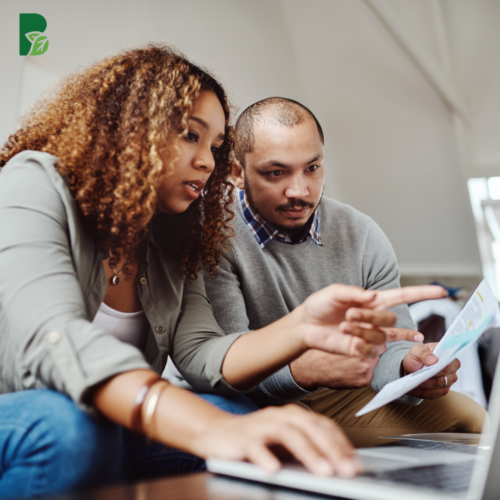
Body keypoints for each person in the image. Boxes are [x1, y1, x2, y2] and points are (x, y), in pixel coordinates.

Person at [0, 47, 445, 498]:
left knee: (238, 416)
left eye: (215, 147)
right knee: (67, 427)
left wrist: (302, 324)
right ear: (131, 128)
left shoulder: (173, 236)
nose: (208, 162)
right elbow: (53, 338)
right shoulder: (32, 183)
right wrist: (205, 427)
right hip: (25, 413)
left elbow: (200, 353)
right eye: (190, 136)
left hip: (109, 423)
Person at [166, 97, 488, 447]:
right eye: (276, 172)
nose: (299, 191)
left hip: (336, 395)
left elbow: (391, 345)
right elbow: (229, 368)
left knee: (473, 418)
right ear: (237, 173)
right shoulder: (213, 235)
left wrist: (408, 368)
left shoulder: (361, 234)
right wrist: (305, 369)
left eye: (312, 168)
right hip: (246, 399)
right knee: (296, 440)